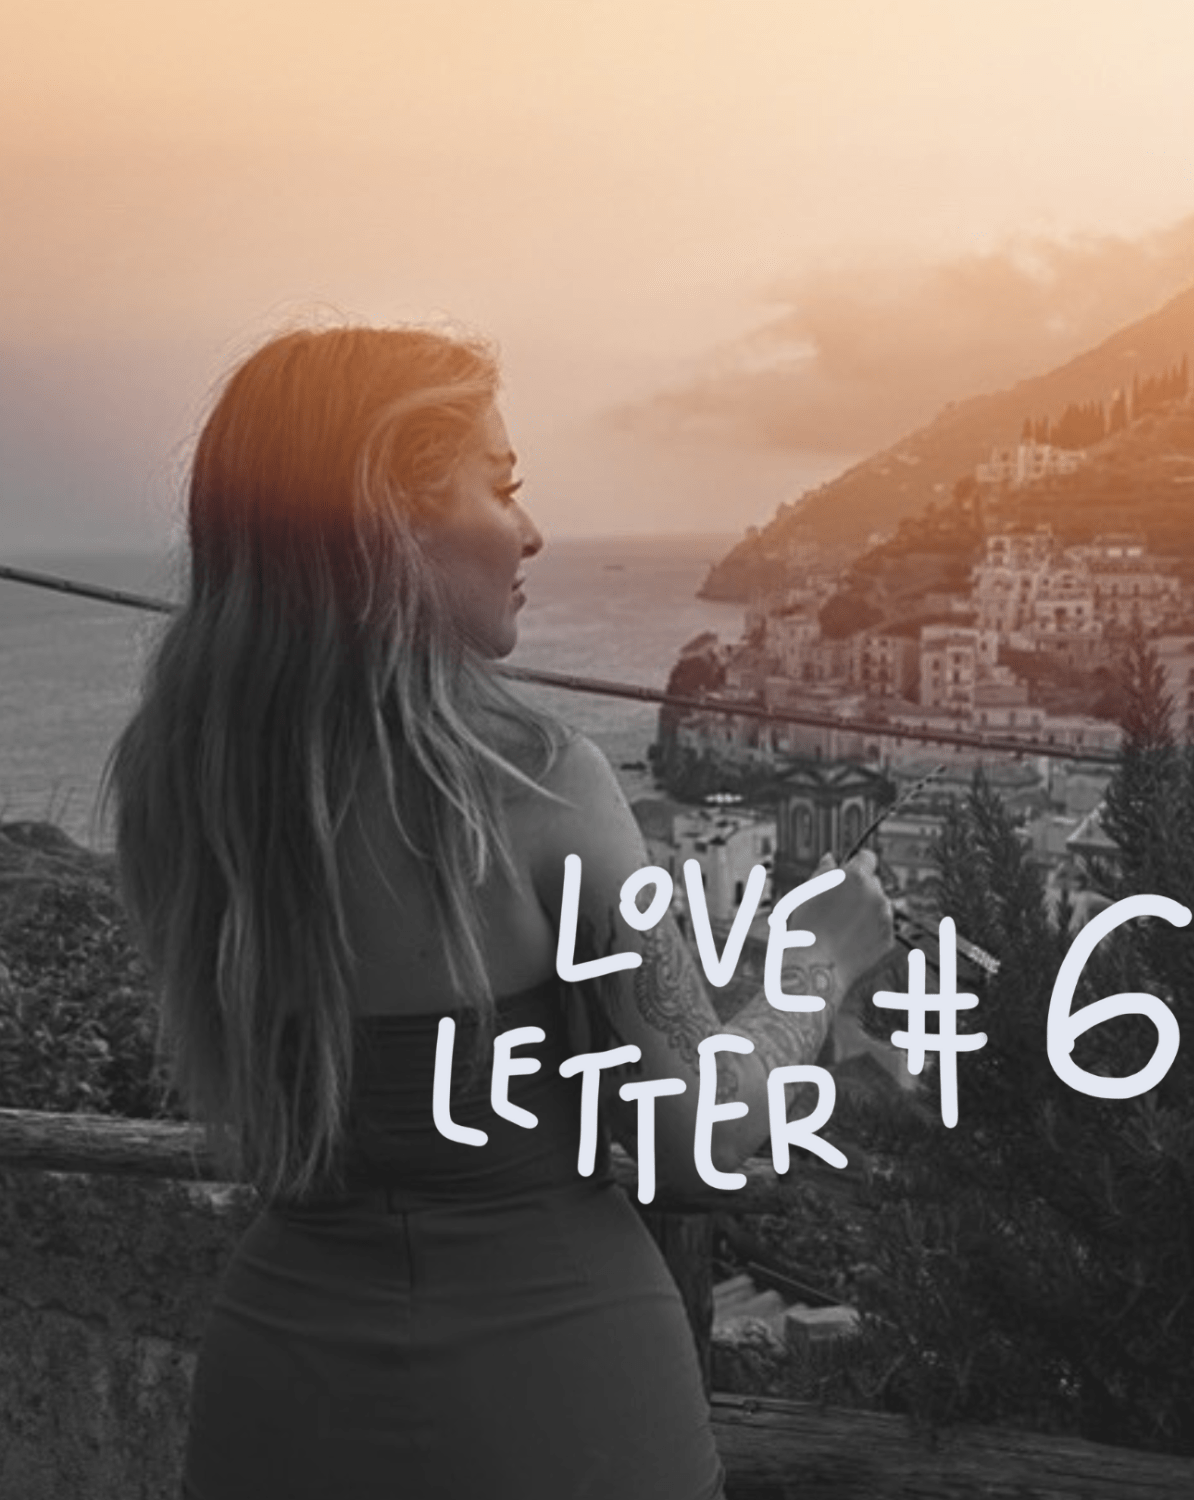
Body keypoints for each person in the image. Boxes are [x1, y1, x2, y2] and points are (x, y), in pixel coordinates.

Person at [107, 323, 896, 1499]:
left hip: (281, 1388)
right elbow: (697, 1149)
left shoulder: (180, 780)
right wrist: (821, 959)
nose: (529, 531)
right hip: (562, 1391)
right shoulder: (533, 781)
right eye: (501, 484)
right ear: (390, 517)